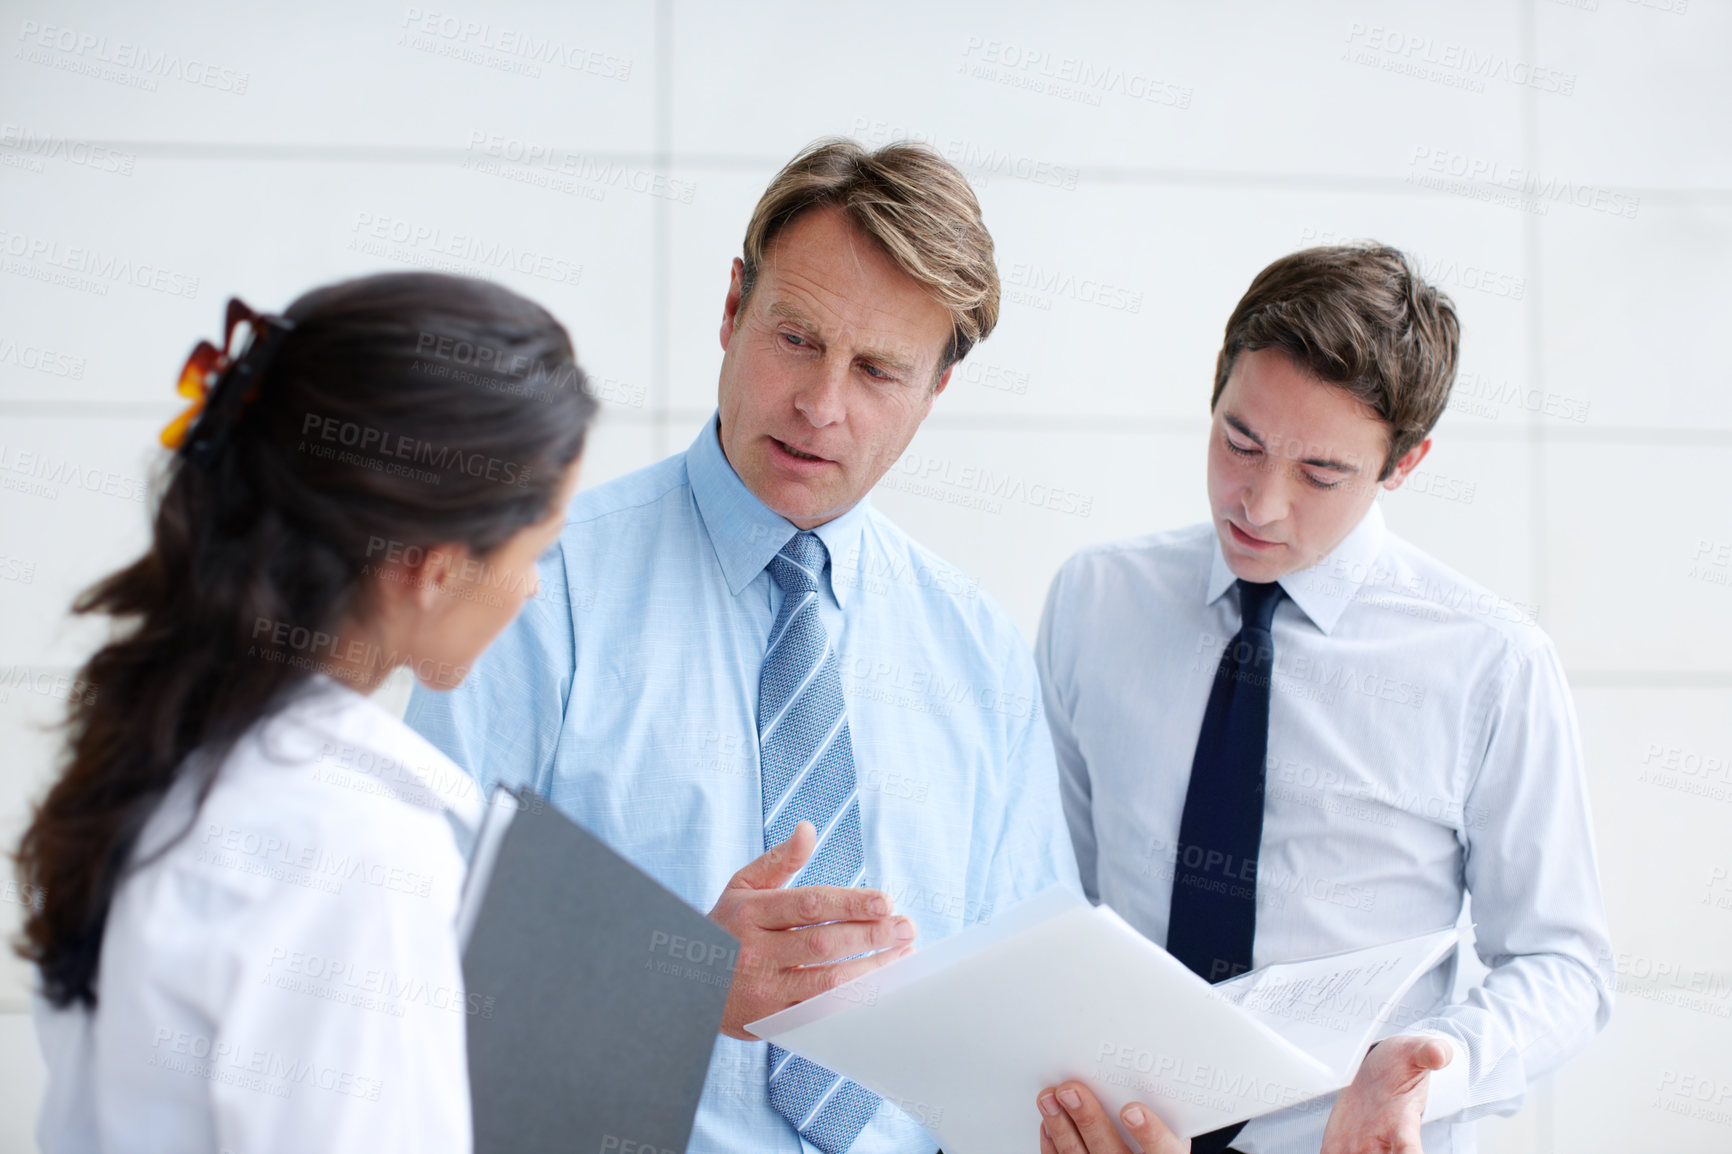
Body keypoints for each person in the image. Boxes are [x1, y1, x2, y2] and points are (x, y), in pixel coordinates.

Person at [406, 137, 1080, 1154]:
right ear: (732, 309)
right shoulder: (540, 590)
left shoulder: (977, 649)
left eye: (879, 370)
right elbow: (406, 954)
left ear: (935, 390)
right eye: (797, 337)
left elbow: (1034, 1003)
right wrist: (677, 975)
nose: (821, 404)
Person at [1034, 245, 1613, 1154]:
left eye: (1320, 473)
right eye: (1240, 442)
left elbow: (1562, 963)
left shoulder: (1489, 663)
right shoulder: (1097, 601)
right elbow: (1047, 894)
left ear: (1405, 464)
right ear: (1216, 391)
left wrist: (1434, 1065)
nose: (1258, 504)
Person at [15, 272, 597, 1153]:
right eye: (538, 550)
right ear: (434, 569)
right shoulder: (353, 851)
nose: (531, 591)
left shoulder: (170, 747)